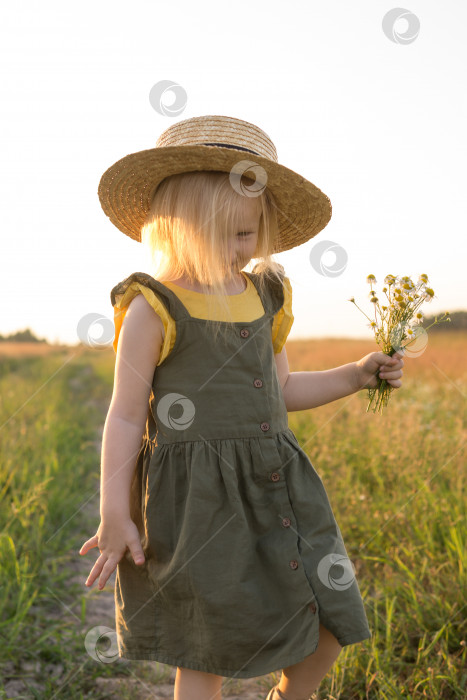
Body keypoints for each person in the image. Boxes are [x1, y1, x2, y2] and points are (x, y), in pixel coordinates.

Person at [79, 115, 404, 700]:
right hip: (197, 503)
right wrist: (114, 514)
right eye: (228, 233)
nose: (242, 248)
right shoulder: (153, 306)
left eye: (250, 233)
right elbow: (126, 416)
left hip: (278, 485)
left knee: (330, 613)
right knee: (206, 645)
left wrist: (355, 376)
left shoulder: (264, 296)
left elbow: (281, 393)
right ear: (179, 225)